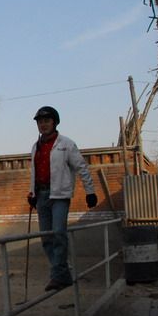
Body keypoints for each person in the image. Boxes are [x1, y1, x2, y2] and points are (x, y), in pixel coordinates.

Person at [26, 106, 97, 291]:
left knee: (58, 233)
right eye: (40, 122)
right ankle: (62, 273)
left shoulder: (66, 144)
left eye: (47, 121)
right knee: (46, 238)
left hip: (60, 195)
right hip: (41, 195)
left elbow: (82, 167)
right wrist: (31, 193)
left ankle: (57, 275)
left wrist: (90, 191)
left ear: (54, 122)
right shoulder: (36, 147)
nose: (43, 125)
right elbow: (34, 172)